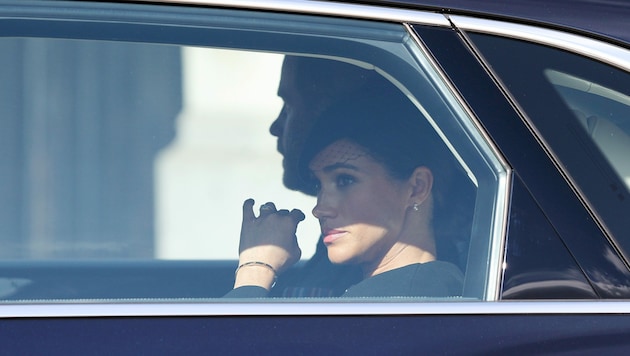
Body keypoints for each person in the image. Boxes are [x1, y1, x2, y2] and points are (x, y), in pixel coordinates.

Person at [225, 74, 464, 298]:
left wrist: (255, 269)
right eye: (319, 184)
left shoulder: (407, 300)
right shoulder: (374, 293)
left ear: (417, 188)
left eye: (345, 180)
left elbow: (225, 342)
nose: (319, 209)